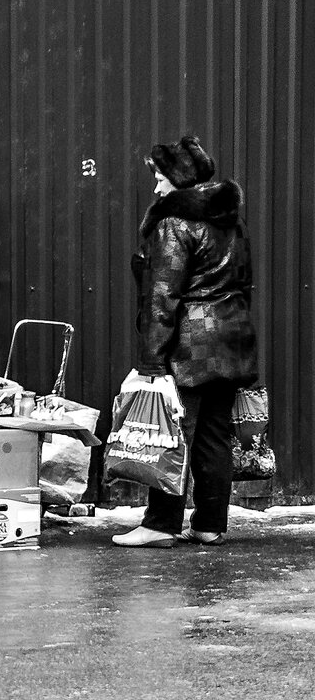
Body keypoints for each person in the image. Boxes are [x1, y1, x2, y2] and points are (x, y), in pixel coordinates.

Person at [112, 135, 258, 549]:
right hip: (232, 340)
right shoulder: (231, 221)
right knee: (214, 436)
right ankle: (210, 524)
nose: (157, 187)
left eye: (160, 177)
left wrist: (152, 362)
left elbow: (163, 296)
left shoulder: (174, 223)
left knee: (168, 432)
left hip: (189, 345)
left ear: (179, 179)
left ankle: (160, 524)